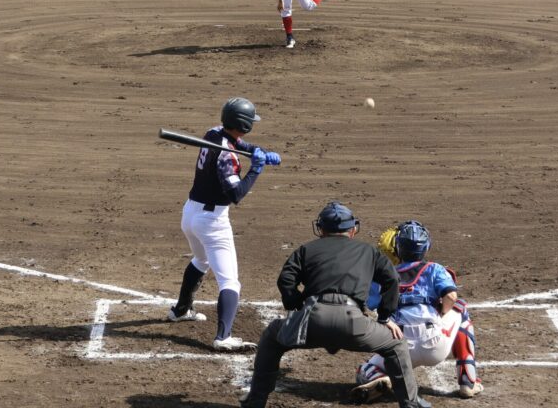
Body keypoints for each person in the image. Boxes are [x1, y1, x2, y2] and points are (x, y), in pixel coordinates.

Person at [240, 202, 430, 408]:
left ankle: (256, 401)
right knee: (396, 344)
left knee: (271, 337)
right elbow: (392, 279)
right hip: (354, 323)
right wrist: (384, 317)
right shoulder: (368, 251)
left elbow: (286, 279)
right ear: (353, 229)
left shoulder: (306, 249)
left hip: (312, 321)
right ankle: (410, 403)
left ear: (321, 229)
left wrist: (296, 305)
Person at [166, 97, 281, 351]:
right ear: (244, 124)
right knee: (230, 282)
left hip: (190, 213)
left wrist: (258, 151)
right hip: (212, 222)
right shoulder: (227, 157)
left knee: (201, 260)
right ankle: (223, 337)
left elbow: (239, 144)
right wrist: (256, 169)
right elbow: (236, 194)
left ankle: (180, 310)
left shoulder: (214, 132)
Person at [354, 221, 482, 402]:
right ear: (426, 247)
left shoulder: (384, 275)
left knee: (364, 370)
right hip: (435, 346)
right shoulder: (435, 269)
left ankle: (386, 378)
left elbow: (367, 305)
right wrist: (442, 313)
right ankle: (468, 381)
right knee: (460, 308)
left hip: (400, 348)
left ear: (398, 248)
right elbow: (451, 296)